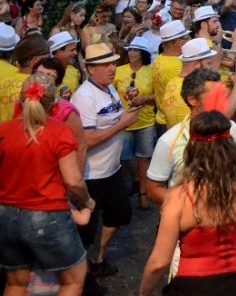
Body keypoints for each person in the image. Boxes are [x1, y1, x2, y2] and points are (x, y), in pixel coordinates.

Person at [139, 111, 236, 296]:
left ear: (191, 150)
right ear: (230, 149)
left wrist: (143, 292)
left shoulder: (179, 198)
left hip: (192, 287)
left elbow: (159, 263)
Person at [0, 75, 95, 295]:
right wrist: (88, 202)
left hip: (6, 216)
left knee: (16, 282)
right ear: (54, 105)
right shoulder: (58, 131)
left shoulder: (3, 131)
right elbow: (73, 181)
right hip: (47, 216)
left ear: (19, 102)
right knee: (73, 279)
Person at [71, 43, 140, 280]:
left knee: (120, 215)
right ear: (91, 69)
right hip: (92, 176)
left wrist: (129, 111)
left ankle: (98, 257)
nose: (113, 68)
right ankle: (82, 273)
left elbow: (113, 117)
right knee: (85, 230)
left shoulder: (109, 89)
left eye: (113, 63)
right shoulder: (84, 97)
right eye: (106, 65)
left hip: (112, 171)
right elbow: (87, 140)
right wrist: (123, 124)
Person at [146, 68, 236, 205]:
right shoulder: (169, 141)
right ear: (192, 99)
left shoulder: (231, 128)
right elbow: (154, 189)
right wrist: (188, 210)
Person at [113, 36, 156, 210]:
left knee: (144, 158)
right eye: (130, 49)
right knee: (123, 159)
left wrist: (146, 98)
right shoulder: (119, 70)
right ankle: (132, 185)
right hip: (123, 121)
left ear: (143, 53)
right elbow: (111, 92)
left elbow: (158, 96)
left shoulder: (151, 71)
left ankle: (143, 193)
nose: (131, 53)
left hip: (145, 121)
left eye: (135, 50)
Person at [151, 20, 189, 131]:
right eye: (186, 38)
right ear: (179, 42)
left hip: (161, 118)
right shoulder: (178, 65)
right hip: (175, 123)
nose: (189, 40)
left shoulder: (158, 59)